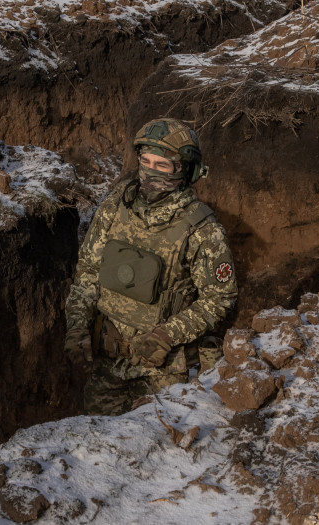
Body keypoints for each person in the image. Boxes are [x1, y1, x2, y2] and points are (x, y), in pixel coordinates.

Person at [63, 118, 238, 416]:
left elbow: (220, 299)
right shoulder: (115, 206)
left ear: (186, 170)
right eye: (146, 160)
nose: (152, 171)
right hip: (108, 367)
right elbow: (88, 272)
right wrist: (77, 324)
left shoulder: (202, 231)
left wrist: (167, 334)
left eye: (163, 165)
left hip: (167, 374)